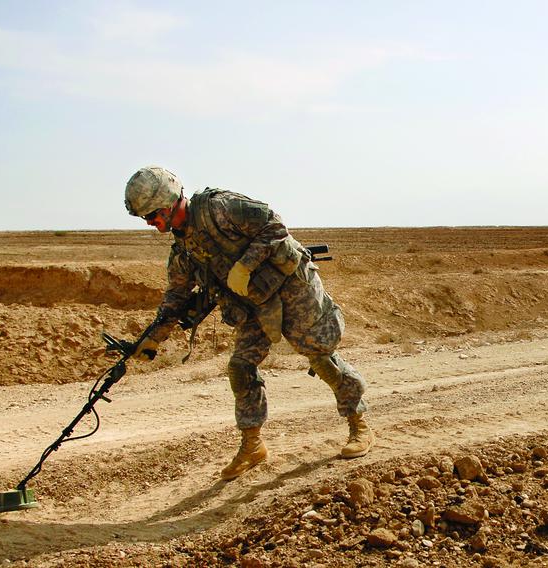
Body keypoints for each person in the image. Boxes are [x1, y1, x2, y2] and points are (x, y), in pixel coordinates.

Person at [123, 165, 373, 480]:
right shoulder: (183, 250)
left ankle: (359, 425)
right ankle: (253, 446)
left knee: (321, 356)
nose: (151, 224)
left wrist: (245, 265)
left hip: (289, 285)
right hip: (252, 303)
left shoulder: (218, 207)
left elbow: (274, 225)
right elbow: (175, 297)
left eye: (153, 215)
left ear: (171, 202)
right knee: (241, 367)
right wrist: (152, 339)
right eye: (146, 219)